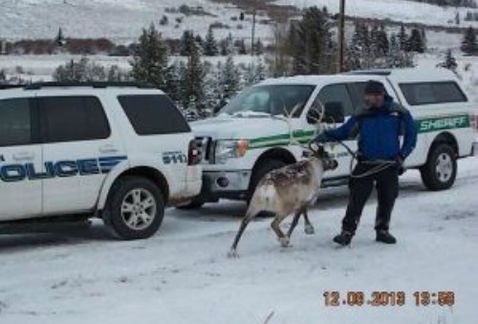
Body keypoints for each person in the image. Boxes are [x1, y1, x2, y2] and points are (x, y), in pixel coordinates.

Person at [314, 80, 417, 246]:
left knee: (388, 198)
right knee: (356, 198)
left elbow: (412, 135)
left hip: (389, 164)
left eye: (375, 95)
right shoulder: (361, 113)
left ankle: (382, 230)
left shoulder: (398, 112)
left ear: (382, 95)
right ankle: (347, 232)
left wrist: (402, 155)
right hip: (365, 163)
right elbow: (344, 131)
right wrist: (325, 136)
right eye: (368, 96)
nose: (371, 99)